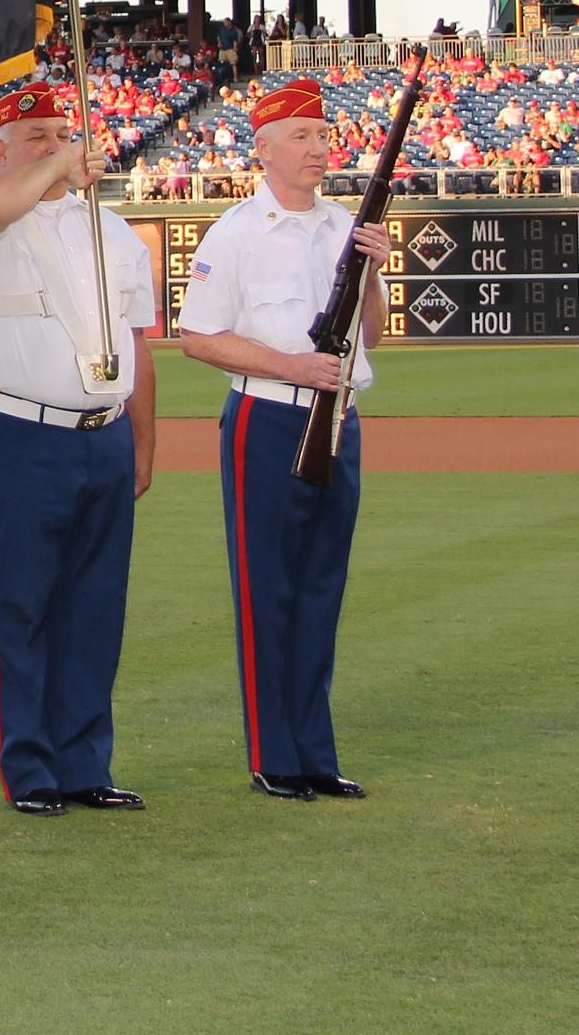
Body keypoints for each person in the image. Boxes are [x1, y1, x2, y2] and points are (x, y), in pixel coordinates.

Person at [0, 83, 162, 817]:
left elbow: (135, 343)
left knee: (95, 609)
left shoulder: (112, 230)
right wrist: (58, 165)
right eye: (35, 136)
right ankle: (30, 769)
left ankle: (85, 763)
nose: (55, 146)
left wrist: (143, 440)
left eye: (61, 134)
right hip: (19, 433)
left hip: (104, 434)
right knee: (21, 607)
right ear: (0, 149)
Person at [175, 80, 395, 802]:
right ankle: (275, 756)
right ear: (263, 149)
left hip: (338, 420)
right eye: (301, 136)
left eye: (324, 135)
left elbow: (372, 335)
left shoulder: (344, 226)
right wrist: (292, 366)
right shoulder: (236, 233)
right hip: (269, 419)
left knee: (321, 590)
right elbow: (198, 337)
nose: (319, 148)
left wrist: (375, 271)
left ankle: (316, 754)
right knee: (267, 591)